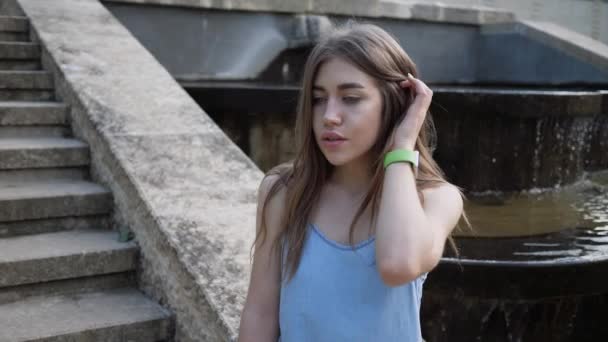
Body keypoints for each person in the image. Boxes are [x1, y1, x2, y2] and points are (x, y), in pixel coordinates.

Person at [238, 23, 466, 342]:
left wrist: (401, 146)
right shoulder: (284, 192)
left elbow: (398, 264)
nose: (330, 115)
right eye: (319, 99)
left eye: (351, 98)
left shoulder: (436, 199)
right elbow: (260, 312)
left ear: (394, 104)